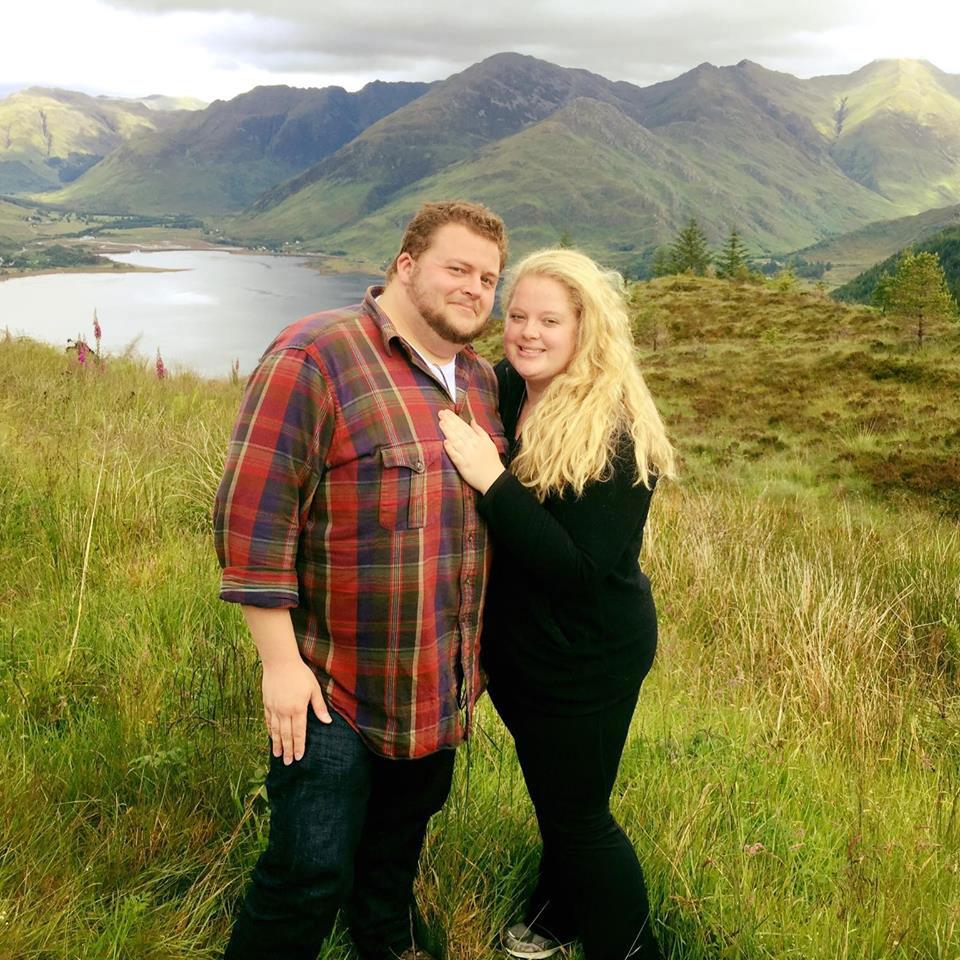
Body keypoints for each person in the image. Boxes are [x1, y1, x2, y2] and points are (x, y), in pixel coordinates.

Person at [213, 199, 508, 960]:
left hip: (434, 686)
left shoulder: (479, 383)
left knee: (395, 854)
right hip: (331, 686)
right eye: (457, 268)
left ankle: (386, 941)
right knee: (307, 871)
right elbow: (254, 515)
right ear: (404, 267)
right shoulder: (318, 354)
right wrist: (280, 664)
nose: (475, 288)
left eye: (489, 277)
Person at [438, 248, 676, 960]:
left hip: (586, 658)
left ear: (585, 331)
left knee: (579, 819)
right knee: (564, 802)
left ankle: (630, 950)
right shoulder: (512, 390)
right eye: (517, 316)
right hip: (530, 655)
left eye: (550, 320)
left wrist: (492, 479)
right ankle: (554, 914)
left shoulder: (616, 430)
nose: (528, 332)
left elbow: (578, 570)